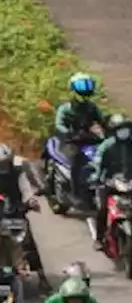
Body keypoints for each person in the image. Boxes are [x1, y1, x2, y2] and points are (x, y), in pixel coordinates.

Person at [0, 144, 48, 287]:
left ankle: (41, 276)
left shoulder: (18, 174)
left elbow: (26, 191)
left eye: (6, 163)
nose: (4, 166)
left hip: (15, 213)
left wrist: (31, 201)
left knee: (29, 243)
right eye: (1, 163)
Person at [53, 72, 109, 212]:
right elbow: (59, 124)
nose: (84, 96)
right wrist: (69, 133)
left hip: (89, 139)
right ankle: (75, 193)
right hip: (72, 141)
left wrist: (110, 128)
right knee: (75, 162)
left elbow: (102, 121)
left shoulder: (92, 107)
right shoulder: (65, 109)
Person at [93, 113, 132, 249]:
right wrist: (96, 178)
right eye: (120, 129)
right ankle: (99, 238)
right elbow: (97, 162)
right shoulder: (106, 146)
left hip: (129, 182)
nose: (124, 131)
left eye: (126, 128)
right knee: (102, 209)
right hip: (109, 182)